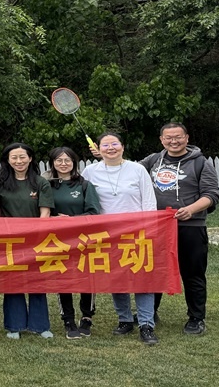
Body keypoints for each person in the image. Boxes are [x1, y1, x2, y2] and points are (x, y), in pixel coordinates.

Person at [140, 122, 219, 335]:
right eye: (168, 138)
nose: (173, 141)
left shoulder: (201, 163)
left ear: (186, 138)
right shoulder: (153, 160)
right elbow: (129, 172)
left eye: (178, 137)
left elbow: (211, 195)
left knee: (193, 273)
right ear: (161, 140)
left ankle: (196, 318)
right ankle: (149, 313)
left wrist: (191, 210)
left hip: (190, 226)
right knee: (154, 270)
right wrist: (105, 154)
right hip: (157, 227)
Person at [82, 132, 159, 345]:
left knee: (142, 278)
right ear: (98, 149)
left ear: (123, 147)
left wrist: (149, 230)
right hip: (106, 234)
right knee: (117, 278)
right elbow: (84, 200)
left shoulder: (137, 170)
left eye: (114, 144)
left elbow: (149, 201)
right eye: (105, 145)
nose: (111, 148)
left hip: (137, 232)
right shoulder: (90, 171)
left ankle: (146, 324)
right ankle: (124, 319)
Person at [0, 143, 54, 340]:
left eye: (22, 157)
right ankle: (15, 325)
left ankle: (40, 325)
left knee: (37, 282)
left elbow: (45, 213)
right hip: (9, 241)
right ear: (8, 160)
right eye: (14, 157)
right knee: (13, 282)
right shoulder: (0, 183)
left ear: (30, 158)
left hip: (36, 240)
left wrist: (36, 237)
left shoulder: (40, 183)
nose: (18, 161)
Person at [45, 147, 100, 339]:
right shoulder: (47, 186)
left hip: (83, 239)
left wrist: (71, 220)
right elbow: (42, 212)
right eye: (59, 160)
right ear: (52, 163)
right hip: (57, 240)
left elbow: (94, 212)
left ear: (74, 162)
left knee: (87, 277)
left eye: (67, 160)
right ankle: (68, 319)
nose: (63, 164)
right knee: (63, 278)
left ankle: (87, 316)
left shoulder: (84, 185)